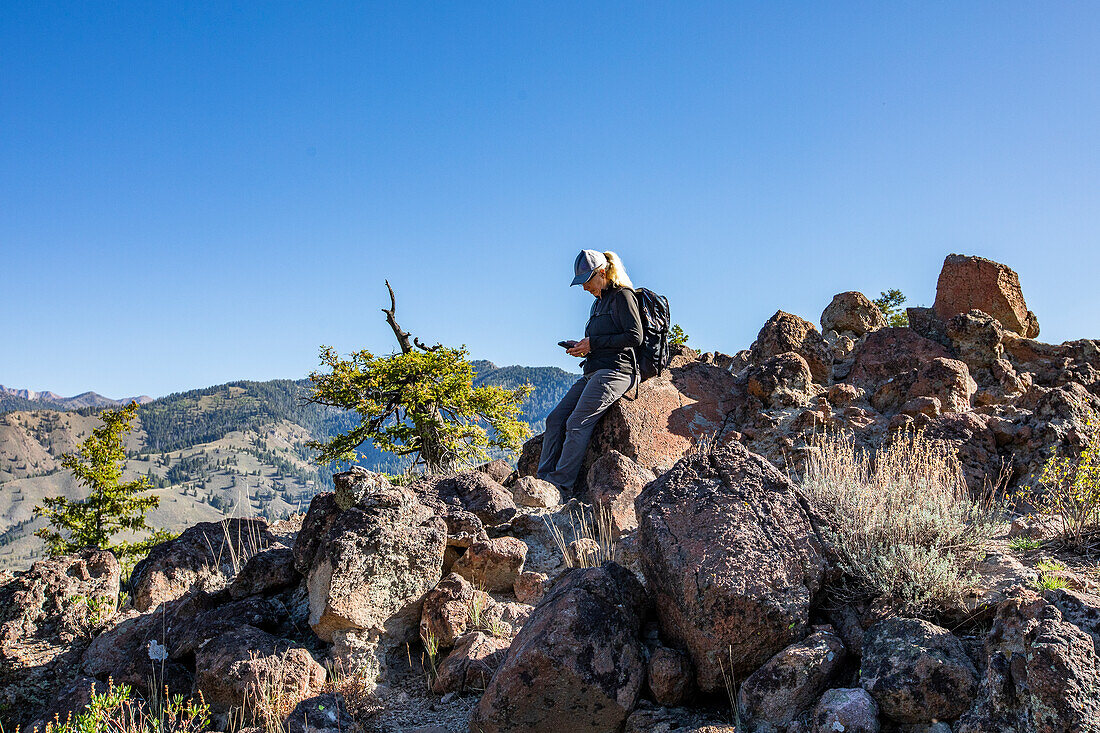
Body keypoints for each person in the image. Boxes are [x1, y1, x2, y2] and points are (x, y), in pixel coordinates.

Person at [538, 250, 643, 492]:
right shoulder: (598, 303)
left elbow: (635, 336)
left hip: (617, 371)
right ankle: (542, 482)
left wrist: (593, 343)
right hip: (593, 370)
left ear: (602, 273)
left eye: (587, 282)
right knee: (555, 419)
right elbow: (603, 338)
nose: (585, 288)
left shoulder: (623, 296)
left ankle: (560, 486)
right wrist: (583, 347)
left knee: (576, 422)